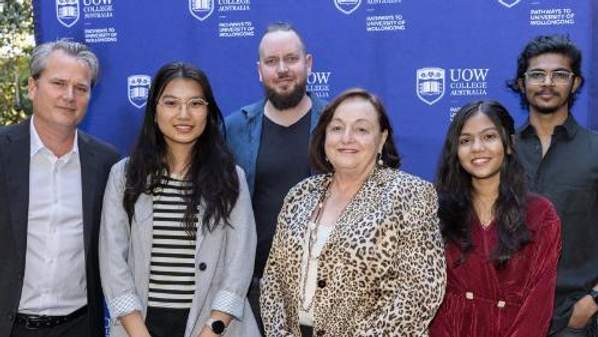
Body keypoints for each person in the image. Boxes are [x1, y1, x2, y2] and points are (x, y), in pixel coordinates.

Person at [260, 88, 446, 337]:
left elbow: (420, 290)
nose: (346, 138)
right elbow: (273, 279)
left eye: (361, 129)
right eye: (337, 128)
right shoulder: (300, 194)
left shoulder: (411, 194)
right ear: (324, 136)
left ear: (381, 139)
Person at [99, 62, 260, 337]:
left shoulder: (231, 178)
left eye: (195, 103)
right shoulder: (125, 176)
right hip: (140, 326)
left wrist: (212, 330)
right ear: (154, 111)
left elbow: (239, 264)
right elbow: (112, 262)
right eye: (171, 103)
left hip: (213, 328)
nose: (183, 114)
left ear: (207, 111)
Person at [0, 40, 120, 337]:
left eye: (81, 88)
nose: (69, 96)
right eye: (58, 83)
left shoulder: (108, 163)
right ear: (32, 87)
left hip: (79, 327)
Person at [225, 21, 327, 330]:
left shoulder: (337, 126)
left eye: (291, 59)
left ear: (307, 64)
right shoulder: (235, 128)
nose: (282, 69)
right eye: (272, 61)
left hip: (326, 289)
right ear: (260, 70)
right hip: (255, 290)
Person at [430, 100, 562, 337]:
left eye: (489, 137)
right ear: (456, 151)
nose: (477, 148)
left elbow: (538, 305)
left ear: (509, 144)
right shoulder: (436, 212)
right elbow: (430, 299)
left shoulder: (541, 215)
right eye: (465, 140)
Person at [507, 35, 598, 337]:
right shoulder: (499, 151)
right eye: (537, 74)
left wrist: (593, 299)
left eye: (559, 74)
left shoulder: (595, 149)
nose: (547, 82)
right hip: (508, 314)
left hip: (575, 318)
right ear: (521, 84)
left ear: (576, 83)